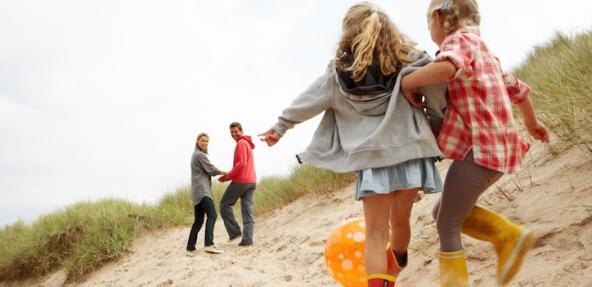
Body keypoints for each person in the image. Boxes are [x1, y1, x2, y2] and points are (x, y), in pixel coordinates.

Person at [258, 2, 448, 286]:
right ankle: (398, 258)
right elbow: (437, 92)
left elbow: (308, 101)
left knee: (374, 233)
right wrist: (435, 127)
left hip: (371, 160)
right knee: (401, 221)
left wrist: (280, 126)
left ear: (348, 33)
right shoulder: (410, 60)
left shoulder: (337, 75)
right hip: (411, 151)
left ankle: (382, 278)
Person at [400, 0, 550, 286]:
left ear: (439, 17)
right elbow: (519, 90)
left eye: (428, 23)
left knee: (447, 224)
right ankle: (507, 235)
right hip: (496, 150)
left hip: (479, 151)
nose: (430, 30)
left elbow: (445, 68)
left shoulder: (458, 42)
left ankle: (509, 238)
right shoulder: (484, 52)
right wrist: (532, 123)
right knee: (441, 213)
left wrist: (407, 83)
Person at [186, 133, 226, 256]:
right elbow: (211, 169)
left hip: (196, 192)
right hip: (203, 191)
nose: (205, 143)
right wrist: (226, 173)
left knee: (198, 221)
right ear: (197, 142)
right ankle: (209, 244)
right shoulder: (199, 155)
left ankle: (190, 248)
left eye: (207, 141)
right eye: (202, 140)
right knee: (212, 215)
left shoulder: (195, 155)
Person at [218, 122, 257, 247]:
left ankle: (234, 233)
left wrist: (227, 176)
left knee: (224, 204)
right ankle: (247, 239)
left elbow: (241, 164)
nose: (234, 134)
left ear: (242, 131)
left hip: (242, 181)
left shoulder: (241, 143)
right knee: (247, 211)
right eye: (232, 132)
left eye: (236, 131)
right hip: (252, 181)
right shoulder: (246, 144)